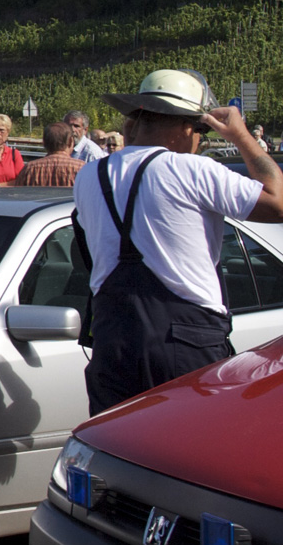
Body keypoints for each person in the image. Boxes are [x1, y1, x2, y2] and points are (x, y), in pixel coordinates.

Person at [78, 70, 283, 415]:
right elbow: (278, 202)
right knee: (195, 455)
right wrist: (242, 136)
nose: (200, 140)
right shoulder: (193, 169)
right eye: (201, 131)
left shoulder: (89, 175)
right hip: (185, 337)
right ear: (188, 127)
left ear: (134, 122)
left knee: (118, 450)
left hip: (113, 336)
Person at [14, 122, 81, 188]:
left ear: (44, 143)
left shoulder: (29, 169)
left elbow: (18, 194)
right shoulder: (80, 168)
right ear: (70, 141)